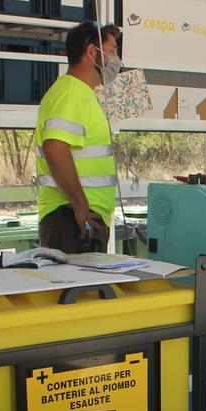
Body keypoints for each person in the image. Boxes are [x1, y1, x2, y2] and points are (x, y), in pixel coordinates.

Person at [35, 22, 122, 253]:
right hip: (72, 219)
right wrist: (81, 206)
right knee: (81, 290)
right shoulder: (71, 93)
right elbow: (54, 148)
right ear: (92, 52)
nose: (117, 59)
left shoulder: (82, 93)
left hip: (80, 217)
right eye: (112, 50)